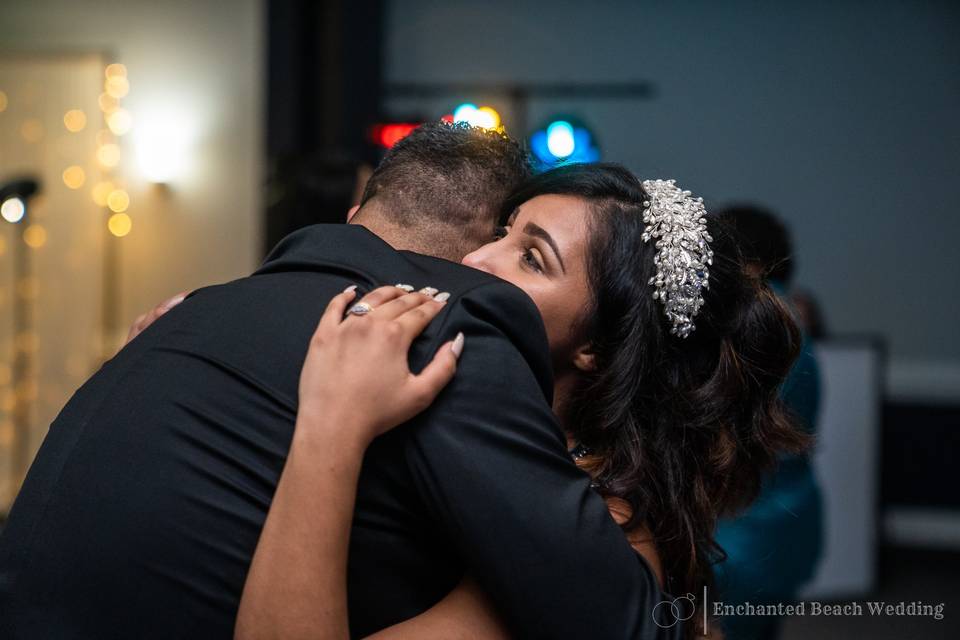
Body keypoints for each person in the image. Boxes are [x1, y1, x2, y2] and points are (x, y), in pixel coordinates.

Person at [0, 123, 667, 639]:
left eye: (528, 254)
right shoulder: (438, 340)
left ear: (355, 221)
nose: (485, 268)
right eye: (502, 238)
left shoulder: (196, 312)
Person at [163, 166, 808, 639]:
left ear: (598, 349)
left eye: (531, 258)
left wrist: (329, 426)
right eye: (503, 231)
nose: (475, 258)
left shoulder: (584, 533)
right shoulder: (480, 437)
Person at [712, 205, 824, 640]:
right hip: (786, 516)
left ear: (748, 262)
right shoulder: (790, 316)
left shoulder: (758, 321)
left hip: (744, 528)